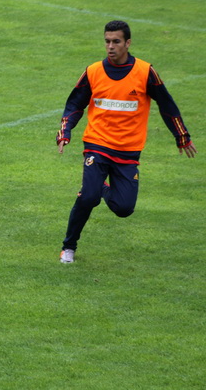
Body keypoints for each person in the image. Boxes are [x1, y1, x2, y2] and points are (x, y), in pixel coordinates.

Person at [56, 20, 197, 263]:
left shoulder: (145, 72)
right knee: (88, 198)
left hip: (128, 151)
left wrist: (181, 136)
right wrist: (64, 132)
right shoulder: (93, 71)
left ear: (128, 43)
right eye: (107, 41)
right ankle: (69, 247)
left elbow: (167, 104)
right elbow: (74, 104)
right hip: (97, 145)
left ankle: (99, 186)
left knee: (123, 208)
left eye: (116, 41)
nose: (110, 46)